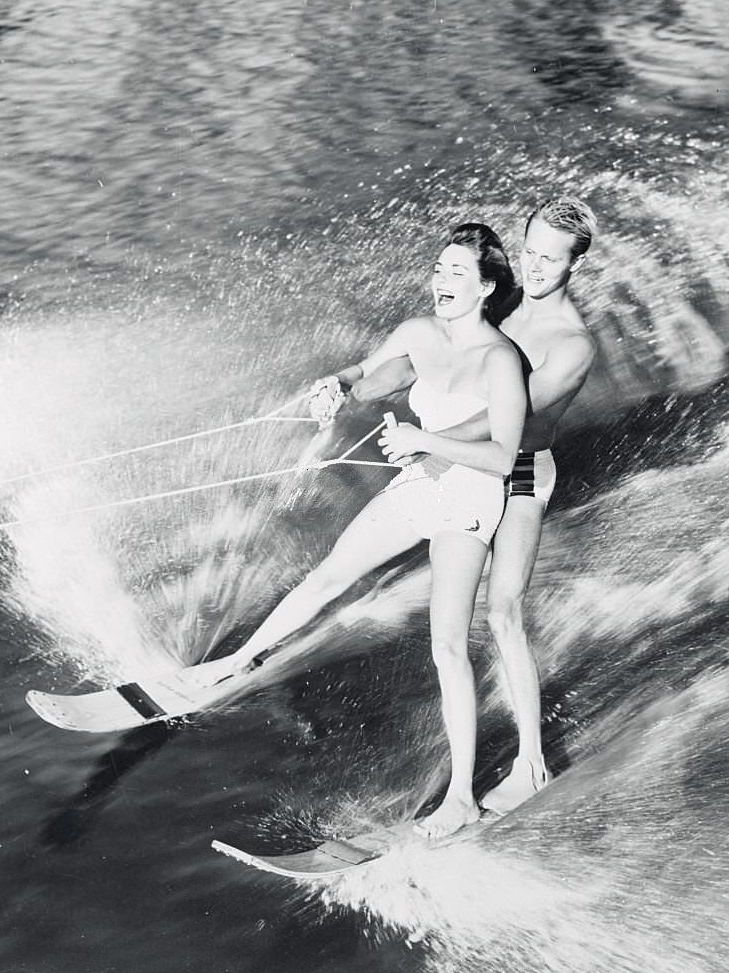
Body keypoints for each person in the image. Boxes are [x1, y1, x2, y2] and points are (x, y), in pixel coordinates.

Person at [205, 222, 527, 838]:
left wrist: (424, 440)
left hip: (469, 496)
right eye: (439, 268)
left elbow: (504, 455)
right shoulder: (418, 333)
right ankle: (234, 664)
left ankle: (461, 798)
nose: (442, 281)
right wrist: (336, 385)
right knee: (328, 575)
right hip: (419, 482)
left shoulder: (501, 359)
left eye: (457, 272)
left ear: (486, 287)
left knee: (447, 646)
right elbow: (365, 373)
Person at [354, 196, 598, 815]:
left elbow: (502, 419)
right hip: (463, 464)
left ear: (576, 264)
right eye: (529, 252)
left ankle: (532, 764)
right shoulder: (505, 300)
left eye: (551, 259)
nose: (535, 267)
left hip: (519, 473)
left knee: (502, 612)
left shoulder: (573, 344)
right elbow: (431, 354)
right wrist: (355, 381)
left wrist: (425, 440)